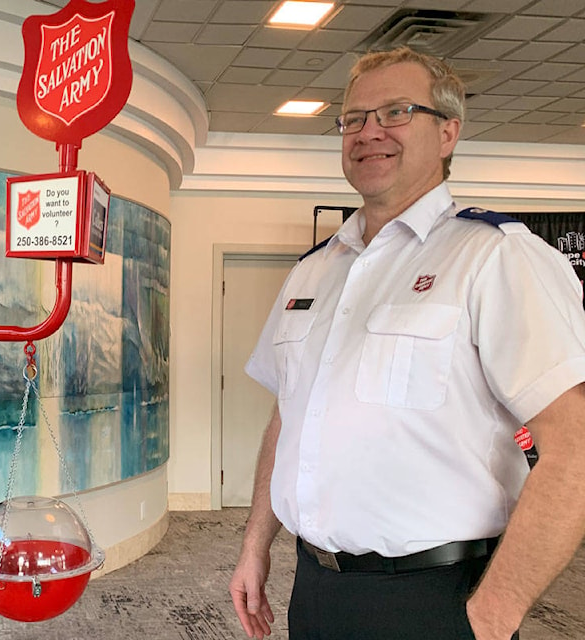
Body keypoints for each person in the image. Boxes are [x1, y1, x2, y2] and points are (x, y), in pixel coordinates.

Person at [229, 46, 585, 640]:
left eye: (396, 112)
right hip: (314, 589)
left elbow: (573, 446)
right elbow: (287, 416)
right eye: (354, 119)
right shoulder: (313, 271)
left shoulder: (495, 256)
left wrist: (492, 617)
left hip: (434, 600)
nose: (370, 133)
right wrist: (254, 545)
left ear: (447, 132)